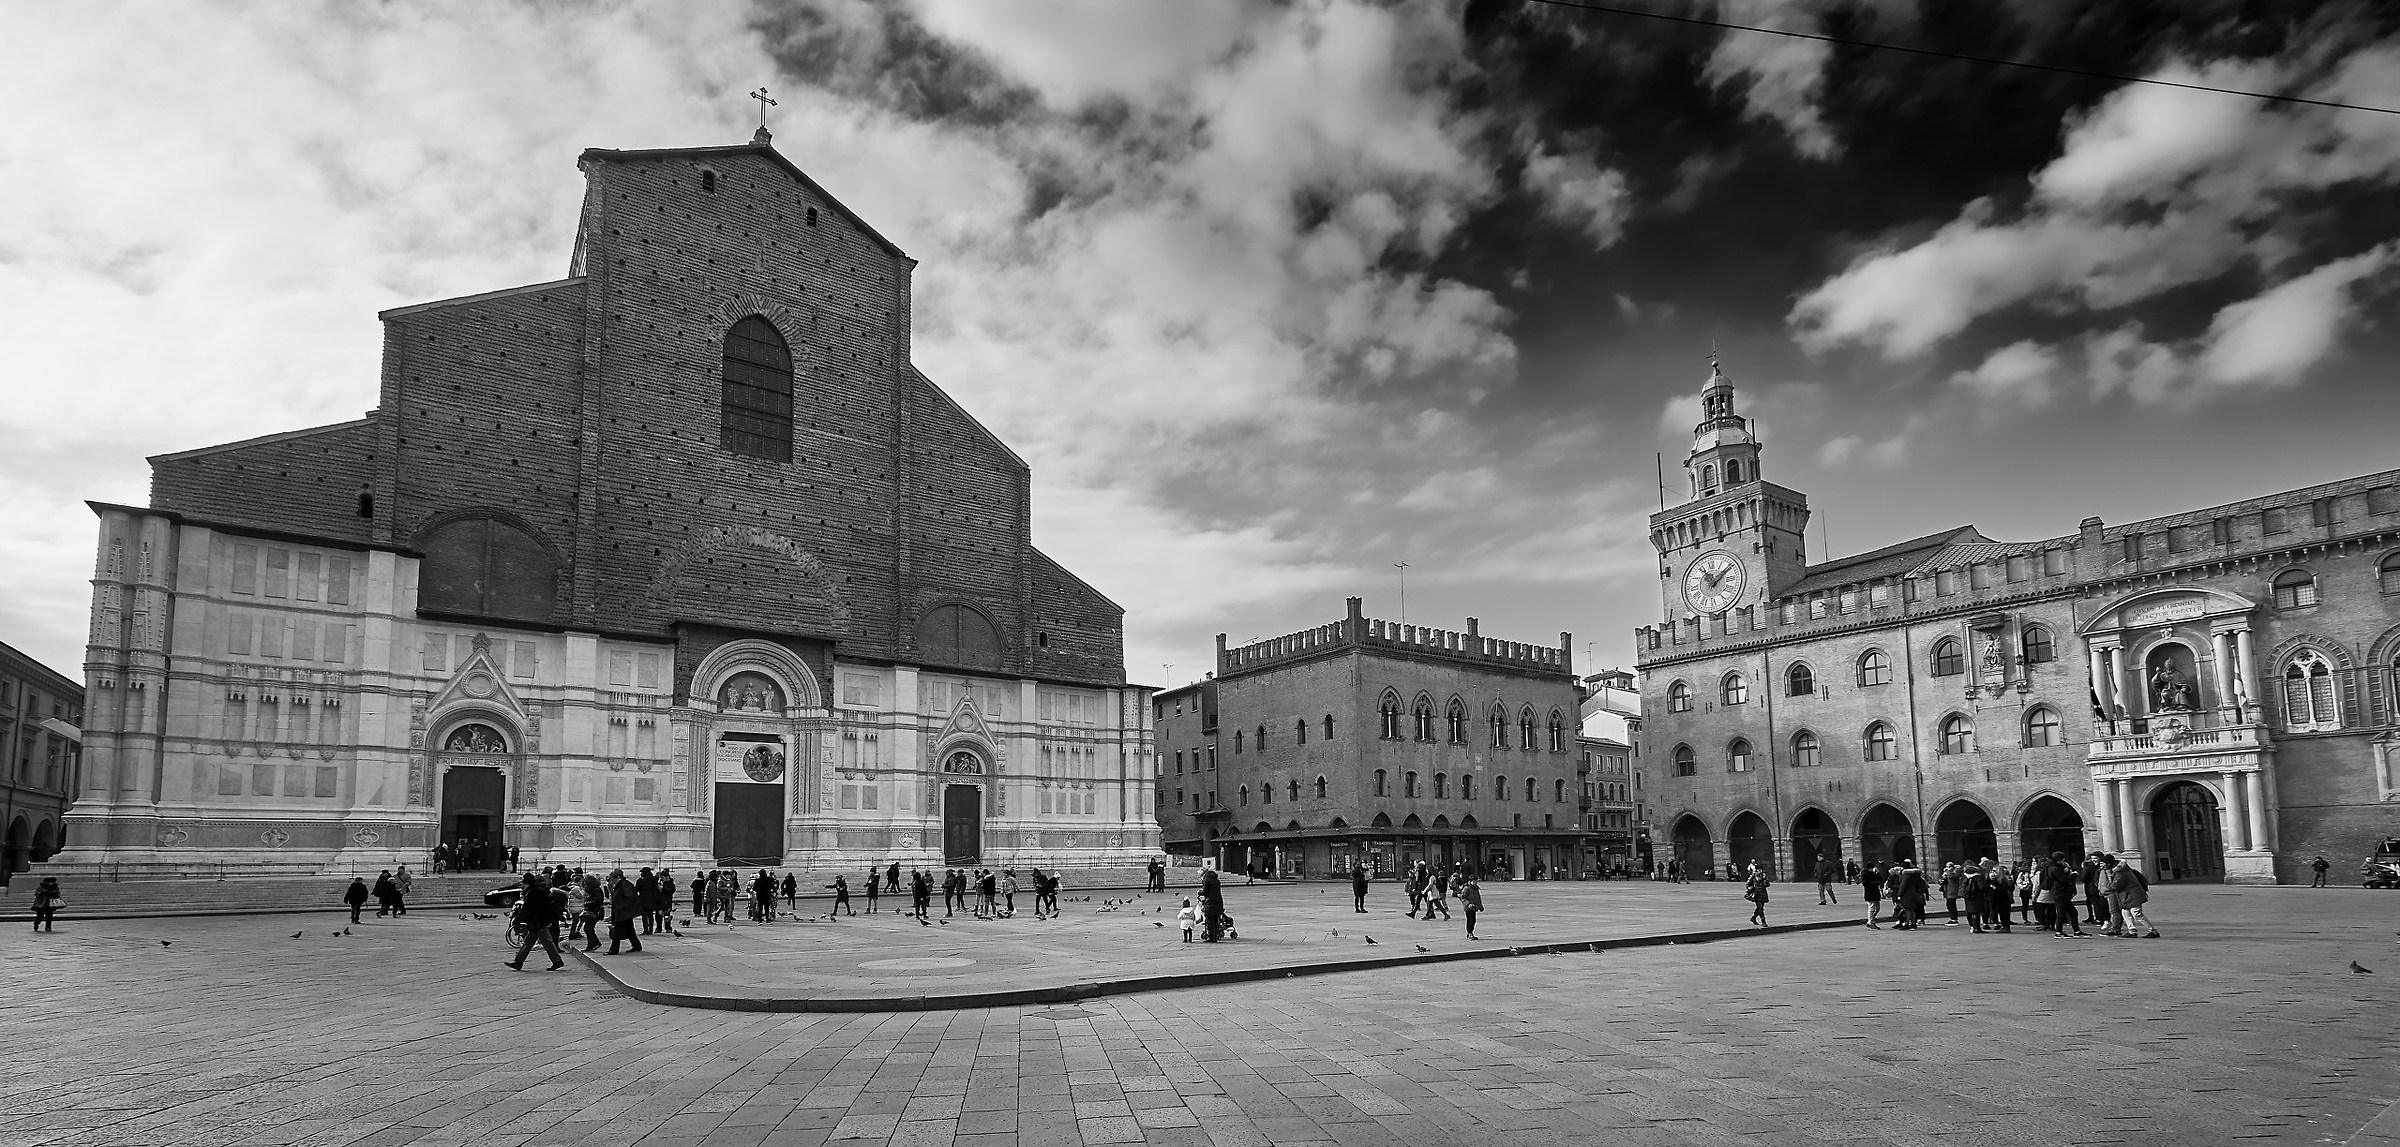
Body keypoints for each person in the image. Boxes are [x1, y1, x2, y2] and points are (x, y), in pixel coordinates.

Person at [506, 875, 565, 971]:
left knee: (547, 942)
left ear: (527, 883)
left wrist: (517, 919)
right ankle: (518, 962)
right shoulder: (536, 891)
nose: (522, 886)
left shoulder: (533, 893)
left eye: (523, 883)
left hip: (538, 921)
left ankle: (557, 961)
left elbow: (527, 909)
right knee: (528, 943)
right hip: (537, 921)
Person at [2100, 853, 2160, 938]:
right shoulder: (2118, 870)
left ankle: (2153, 931)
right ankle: (2132, 931)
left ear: (2108, 864)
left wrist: (2109, 879)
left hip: (2132, 895)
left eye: (2102, 864)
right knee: (2125, 912)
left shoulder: (2120, 872)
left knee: (2136, 913)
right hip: (2127, 895)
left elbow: (2115, 886)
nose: (2101, 866)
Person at [605, 869, 644, 954]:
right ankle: (637, 946)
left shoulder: (624, 885)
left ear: (618, 877)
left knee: (617, 932)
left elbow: (629, 898)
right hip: (624, 912)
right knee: (630, 930)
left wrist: (620, 906)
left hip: (623, 912)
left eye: (614, 879)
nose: (613, 881)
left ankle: (614, 950)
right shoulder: (622, 884)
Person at [1199, 866, 1225, 942]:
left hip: (1210, 902)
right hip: (1218, 901)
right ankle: (1216, 935)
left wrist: (1199, 892)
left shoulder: (1206, 880)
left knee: (1209, 920)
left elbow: (1205, 892)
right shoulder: (1216, 880)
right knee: (1216, 920)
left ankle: (1211, 937)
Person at [1859, 862, 1884, 929]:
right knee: (1872, 907)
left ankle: (1870, 920)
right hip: (1869, 892)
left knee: (1878, 909)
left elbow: (1880, 879)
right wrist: (1874, 880)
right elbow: (1865, 883)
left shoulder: (1874, 873)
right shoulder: (1865, 873)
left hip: (1876, 892)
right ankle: (1871, 922)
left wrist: (1877, 873)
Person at [1459, 874, 1483, 940]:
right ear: (1470, 881)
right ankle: (1469, 933)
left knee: (1474, 920)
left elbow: (1478, 898)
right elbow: (1462, 897)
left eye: (1476, 881)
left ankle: (1471, 932)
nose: (1475, 883)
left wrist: (1480, 906)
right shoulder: (1467, 888)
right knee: (1470, 920)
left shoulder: (1476, 889)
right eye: (1474, 881)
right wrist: (1468, 904)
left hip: (1474, 907)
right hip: (1468, 908)